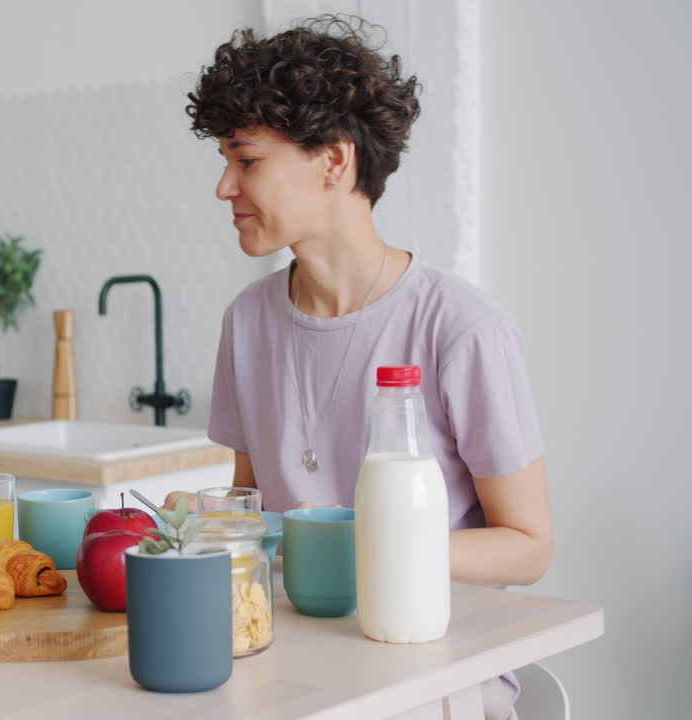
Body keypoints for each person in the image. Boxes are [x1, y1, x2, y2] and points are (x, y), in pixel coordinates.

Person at [169, 17, 551, 719]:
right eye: (224, 161)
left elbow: (527, 549)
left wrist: (369, 544)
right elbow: (253, 510)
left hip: (433, 666)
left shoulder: (461, 327)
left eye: (246, 160)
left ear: (334, 162)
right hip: (294, 661)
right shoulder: (247, 322)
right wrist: (203, 521)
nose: (224, 186)